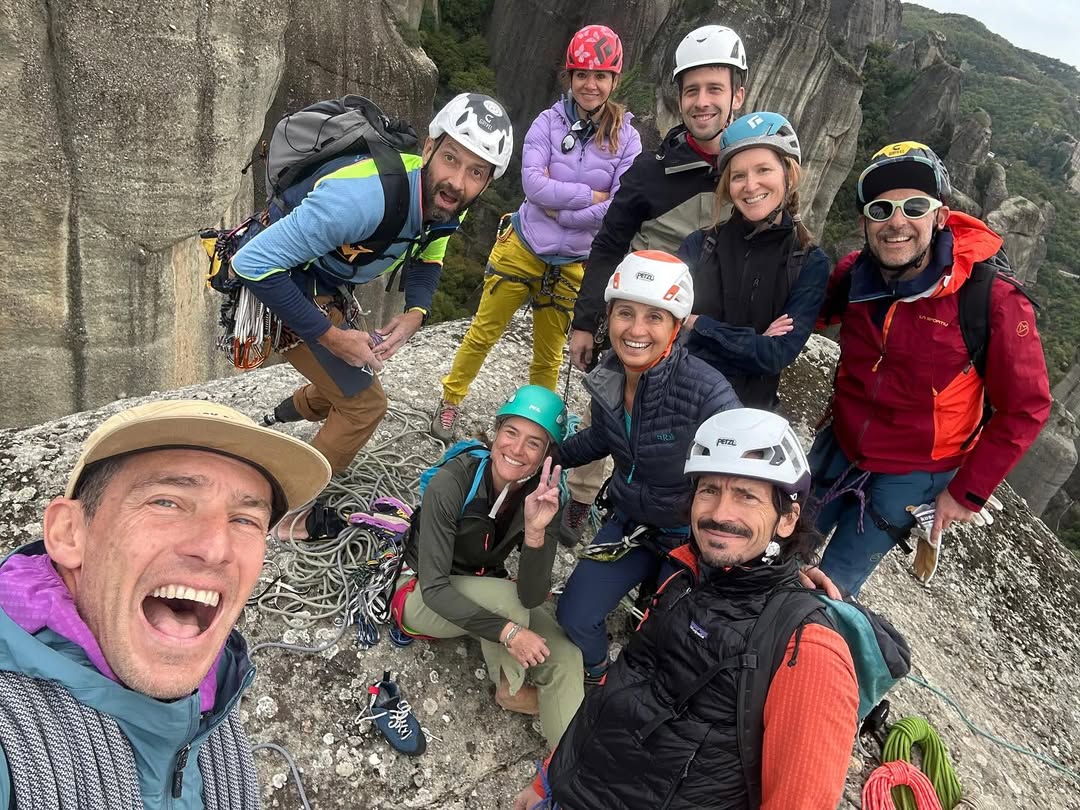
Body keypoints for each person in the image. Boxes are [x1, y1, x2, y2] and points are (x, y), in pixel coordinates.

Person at [513, 409, 862, 810]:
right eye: (709, 490)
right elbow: (615, 689)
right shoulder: (686, 576)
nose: (720, 513)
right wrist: (549, 777)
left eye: (746, 495)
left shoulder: (807, 650)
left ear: (787, 519)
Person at [0, 399, 331, 807]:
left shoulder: (212, 700)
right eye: (166, 502)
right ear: (69, 533)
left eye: (245, 519)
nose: (214, 548)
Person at [231, 93, 513, 487]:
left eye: (476, 172)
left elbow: (430, 253)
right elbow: (250, 263)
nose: (458, 181)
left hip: (327, 282)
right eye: (451, 158)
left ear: (486, 182)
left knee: (353, 373)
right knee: (365, 406)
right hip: (280, 284)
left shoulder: (447, 201)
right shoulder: (362, 200)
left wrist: (417, 311)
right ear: (429, 148)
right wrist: (332, 338)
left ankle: (279, 415)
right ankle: (290, 499)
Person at [811, 141, 1052, 596]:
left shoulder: (993, 300)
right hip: (839, 444)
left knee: (831, 588)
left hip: (912, 473)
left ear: (940, 216)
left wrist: (966, 493)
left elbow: (1027, 407)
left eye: (914, 207)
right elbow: (806, 316)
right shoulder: (855, 275)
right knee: (775, 545)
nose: (897, 222)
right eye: (881, 210)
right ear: (865, 223)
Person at [559, 24, 749, 544]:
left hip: (706, 331)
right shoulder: (653, 171)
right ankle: (584, 497)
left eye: (715, 89)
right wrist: (585, 323)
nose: (702, 102)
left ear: (738, 95)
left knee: (684, 430)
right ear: (679, 98)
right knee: (610, 406)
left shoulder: (749, 173)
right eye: (692, 90)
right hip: (641, 319)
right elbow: (608, 244)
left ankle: (679, 524)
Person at [432, 25, 642, 441]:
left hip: (573, 261)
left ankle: (538, 423)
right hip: (524, 245)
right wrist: (589, 196)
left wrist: (561, 213)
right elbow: (533, 186)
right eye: (582, 74)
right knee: (483, 332)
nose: (590, 84)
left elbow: (618, 208)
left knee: (548, 355)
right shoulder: (548, 123)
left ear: (614, 81)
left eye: (600, 76)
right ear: (570, 77)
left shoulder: (627, 139)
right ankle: (450, 400)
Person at [554, 251, 741, 684]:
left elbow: (746, 474)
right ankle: (598, 676)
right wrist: (546, 457)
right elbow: (603, 438)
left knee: (667, 641)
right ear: (609, 317)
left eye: (654, 317)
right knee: (575, 616)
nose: (636, 330)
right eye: (625, 313)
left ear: (676, 326)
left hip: (687, 538)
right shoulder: (609, 376)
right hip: (631, 523)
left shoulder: (707, 393)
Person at [392, 385, 584, 750]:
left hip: (484, 591)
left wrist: (536, 533)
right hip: (419, 595)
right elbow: (434, 589)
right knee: (508, 603)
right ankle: (511, 690)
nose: (517, 449)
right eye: (511, 432)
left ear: (546, 454)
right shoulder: (453, 482)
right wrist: (510, 634)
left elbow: (532, 595)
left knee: (565, 656)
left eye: (533, 443)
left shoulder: (543, 498)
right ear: (496, 433)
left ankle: (569, 767)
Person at [679, 111, 830, 410]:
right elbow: (666, 319)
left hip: (747, 418)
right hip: (679, 402)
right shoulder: (700, 244)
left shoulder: (808, 262)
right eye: (738, 176)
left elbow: (775, 354)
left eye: (763, 170)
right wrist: (754, 341)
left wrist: (697, 323)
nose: (750, 185)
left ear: (788, 174)